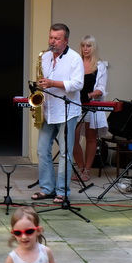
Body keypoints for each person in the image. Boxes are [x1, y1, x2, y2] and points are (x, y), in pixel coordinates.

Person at [31, 23, 84, 204]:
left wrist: (53, 83)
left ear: (66, 41)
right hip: (48, 110)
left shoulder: (75, 58)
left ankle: (62, 191)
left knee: (65, 153)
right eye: (51, 37)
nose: (52, 41)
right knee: (42, 150)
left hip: (67, 111)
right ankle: (47, 188)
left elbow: (78, 84)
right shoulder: (44, 56)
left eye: (57, 39)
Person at [72, 35, 108, 182]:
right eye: (83, 46)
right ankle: (80, 168)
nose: (85, 49)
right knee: (73, 137)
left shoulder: (99, 65)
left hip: (91, 105)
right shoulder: (75, 63)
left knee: (91, 138)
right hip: (75, 105)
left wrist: (89, 95)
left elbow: (101, 88)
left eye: (89, 46)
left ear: (94, 47)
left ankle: (87, 170)